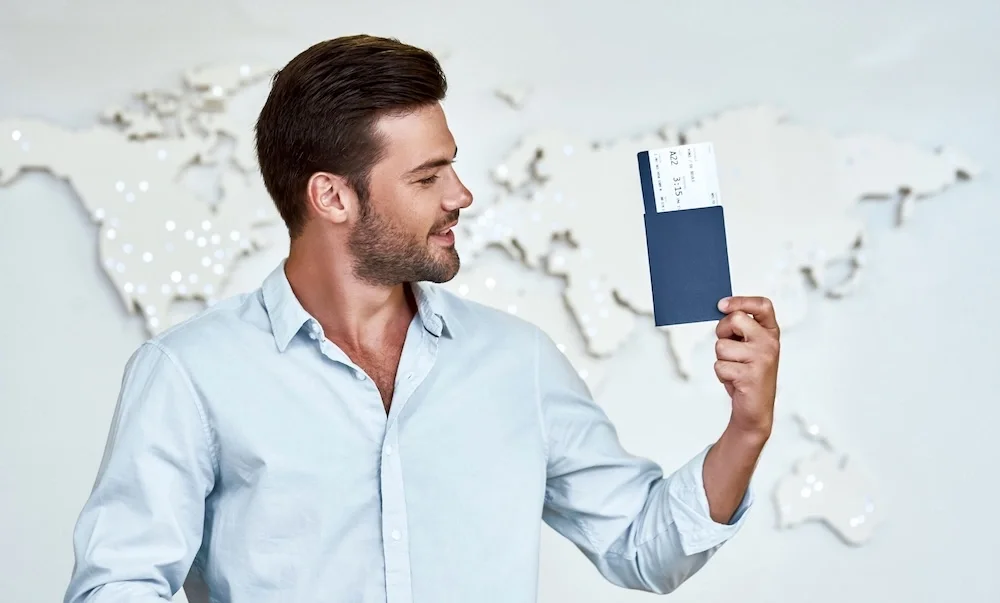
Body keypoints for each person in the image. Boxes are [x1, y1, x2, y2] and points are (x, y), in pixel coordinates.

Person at [63, 35, 780, 603]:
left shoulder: (517, 362)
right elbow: (117, 586)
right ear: (332, 198)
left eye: (452, 168)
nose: (461, 194)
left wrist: (746, 429)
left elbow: (644, 546)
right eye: (427, 176)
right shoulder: (191, 375)